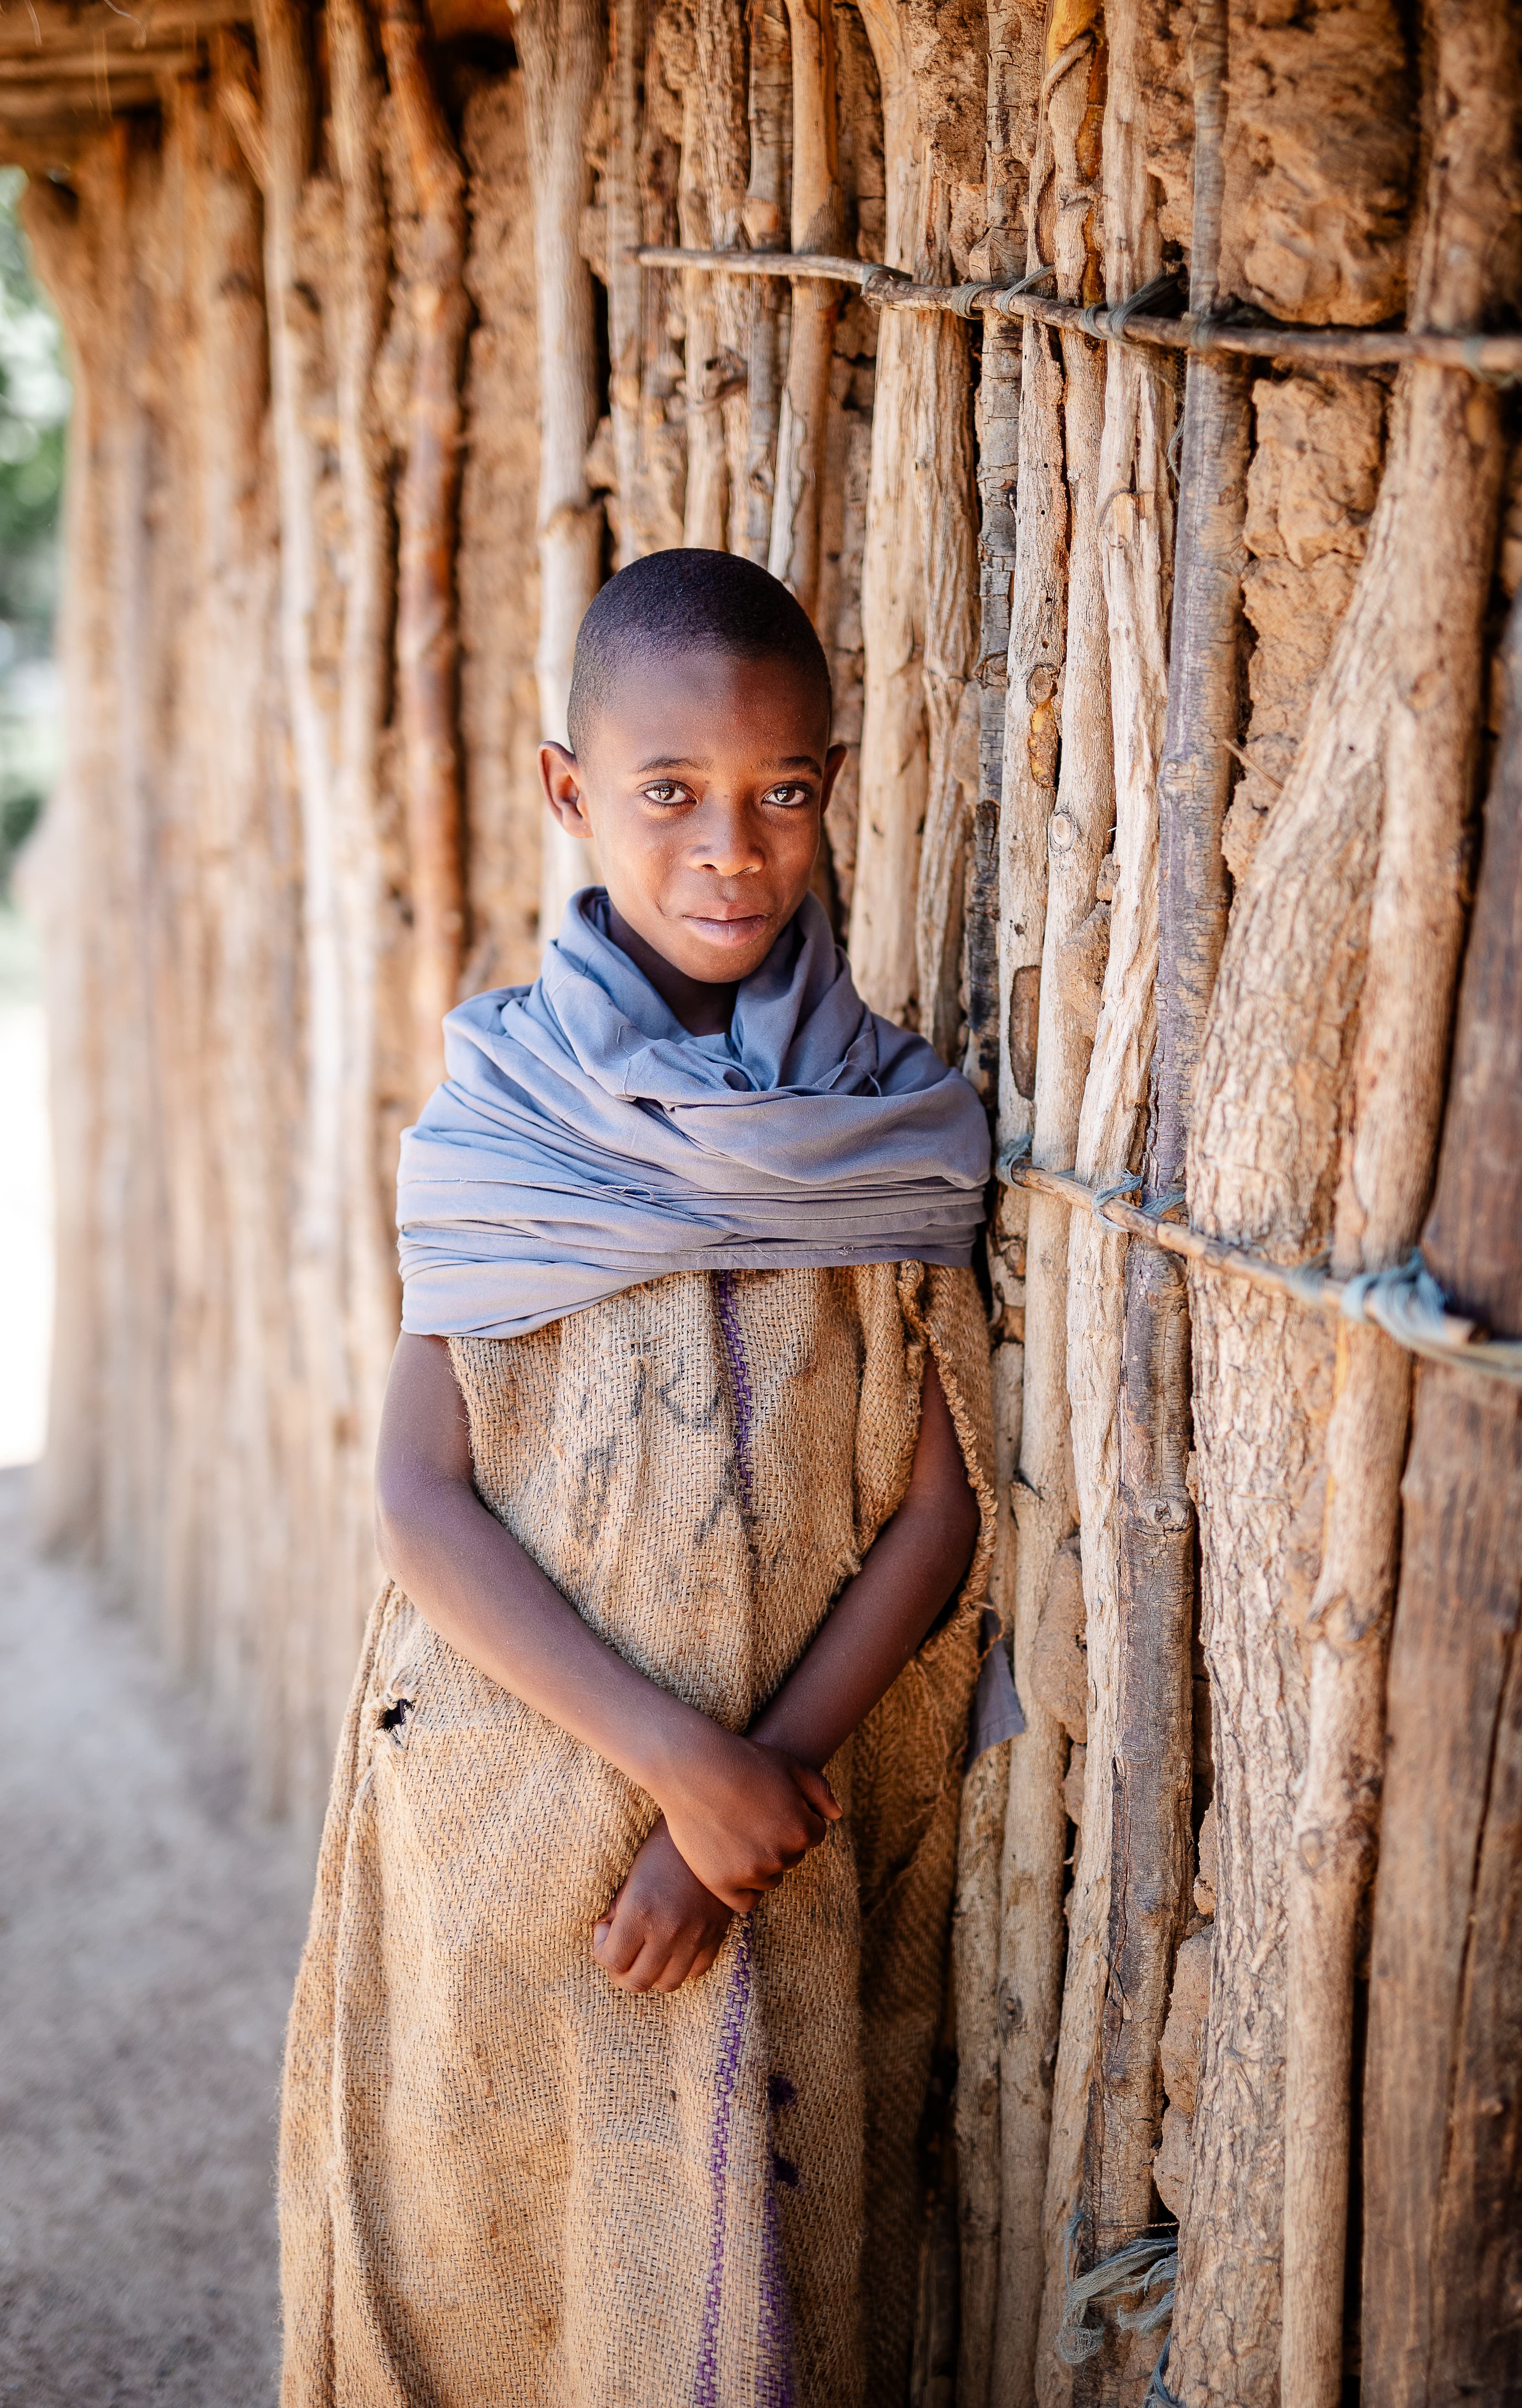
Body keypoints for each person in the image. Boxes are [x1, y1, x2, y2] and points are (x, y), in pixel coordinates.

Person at [278, 549, 996, 2408]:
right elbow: (423, 1496)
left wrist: (737, 1806)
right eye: (669, 794)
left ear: (834, 786)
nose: (730, 851)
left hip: (783, 1829)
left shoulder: (893, 1126)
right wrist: (670, 1762)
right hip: (511, 1811)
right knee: (494, 2263)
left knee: (746, 2286)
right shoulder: (495, 1119)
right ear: (567, 792)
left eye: (784, 795)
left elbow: (939, 1510)